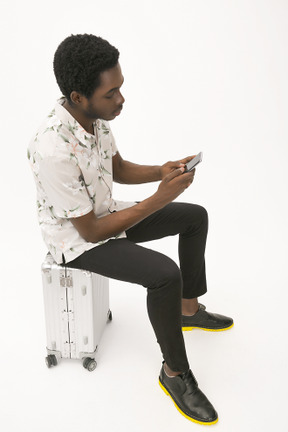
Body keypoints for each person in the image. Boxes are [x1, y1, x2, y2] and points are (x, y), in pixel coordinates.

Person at [28, 34, 233, 425]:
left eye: (120, 88)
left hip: (104, 213)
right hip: (75, 241)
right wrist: (159, 197)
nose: (121, 99)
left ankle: (187, 310)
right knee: (163, 276)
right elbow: (90, 232)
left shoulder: (94, 119)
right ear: (78, 96)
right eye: (112, 93)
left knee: (195, 216)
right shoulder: (51, 148)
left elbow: (116, 168)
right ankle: (174, 374)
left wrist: (162, 171)